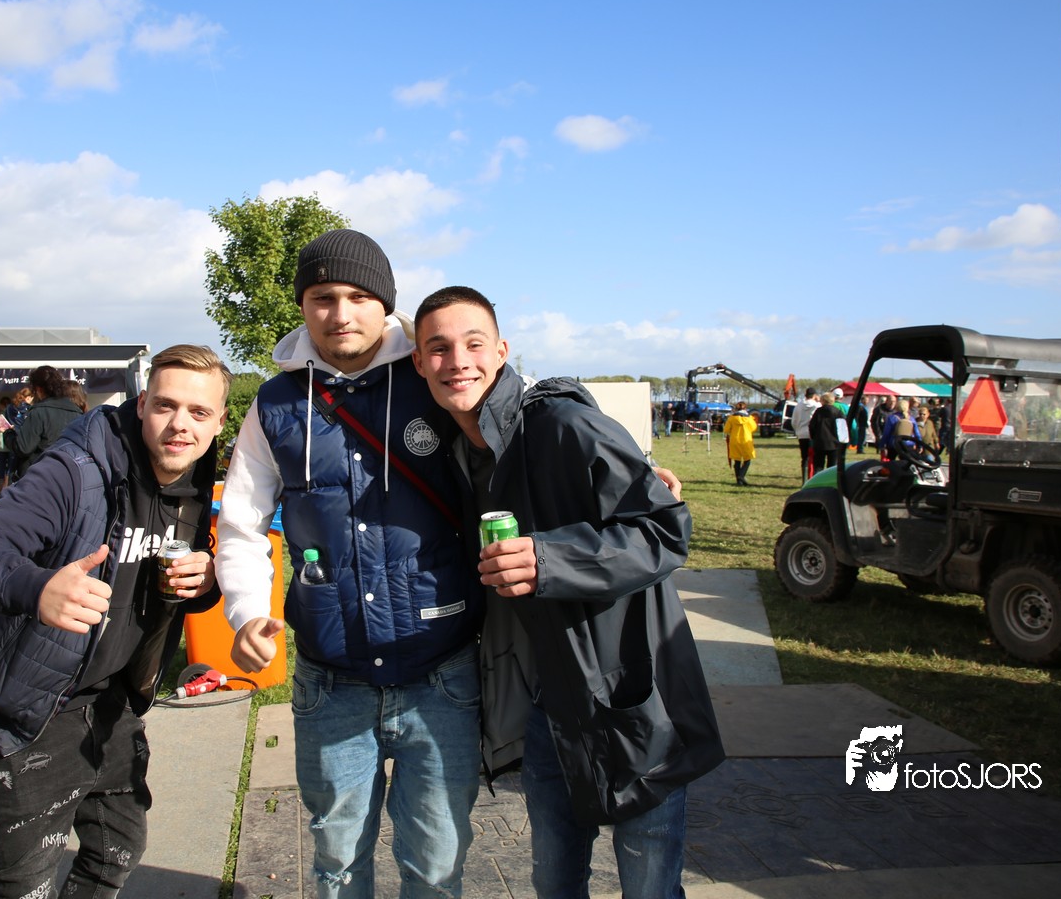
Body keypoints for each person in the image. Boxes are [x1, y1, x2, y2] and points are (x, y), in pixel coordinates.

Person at [410, 286, 724, 899]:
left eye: (474, 344)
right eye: (438, 348)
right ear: (418, 362)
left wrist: (550, 558)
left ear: (502, 352)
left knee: (650, 886)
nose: (458, 361)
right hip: (548, 710)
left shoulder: (563, 426)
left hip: (631, 697)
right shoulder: (459, 453)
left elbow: (664, 531)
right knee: (554, 881)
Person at [215, 228, 485, 898]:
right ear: (303, 305)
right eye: (323, 297)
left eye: (360, 297)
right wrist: (245, 612)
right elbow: (242, 522)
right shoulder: (275, 404)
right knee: (336, 865)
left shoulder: (435, 374)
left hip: (441, 673)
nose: (341, 314)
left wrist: (618, 470)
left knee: (436, 867)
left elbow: (533, 422)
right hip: (331, 681)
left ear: (386, 304)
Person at [0, 343, 229, 899]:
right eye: (165, 405)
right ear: (141, 405)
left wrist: (204, 582)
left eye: (199, 412)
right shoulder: (75, 471)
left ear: (219, 421)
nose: (180, 425)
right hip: (30, 707)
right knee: (25, 885)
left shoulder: (193, 483)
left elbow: (166, 586)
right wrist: (37, 587)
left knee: (116, 849)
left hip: (113, 702)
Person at [14, 367, 83, 479]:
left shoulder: (38, 412)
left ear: (39, 389)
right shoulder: (77, 412)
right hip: (68, 474)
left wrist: (8, 435)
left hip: (39, 475)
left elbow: (24, 448)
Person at [723, 400, 758, 486]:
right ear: (745, 408)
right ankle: (741, 476)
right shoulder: (749, 419)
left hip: (735, 441)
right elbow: (754, 428)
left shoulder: (731, 418)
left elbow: (726, 430)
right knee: (747, 459)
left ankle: (739, 481)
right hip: (746, 440)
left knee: (737, 460)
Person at [807, 392, 844, 472]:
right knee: (832, 467)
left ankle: (818, 479)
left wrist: (813, 437)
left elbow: (812, 426)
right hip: (834, 443)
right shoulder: (838, 412)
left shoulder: (818, 412)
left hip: (819, 442)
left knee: (818, 466)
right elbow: (842, 428)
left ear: (823, 400)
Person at [790, 387, 818, 480]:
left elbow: (794, 421)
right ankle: (812, 478)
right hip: (813, 435)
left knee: (804, 458)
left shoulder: (798, 406)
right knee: (813, 458)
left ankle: (804, 479)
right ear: (814, 395)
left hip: (802, 434)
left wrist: (797, 430)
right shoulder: (817, 406)